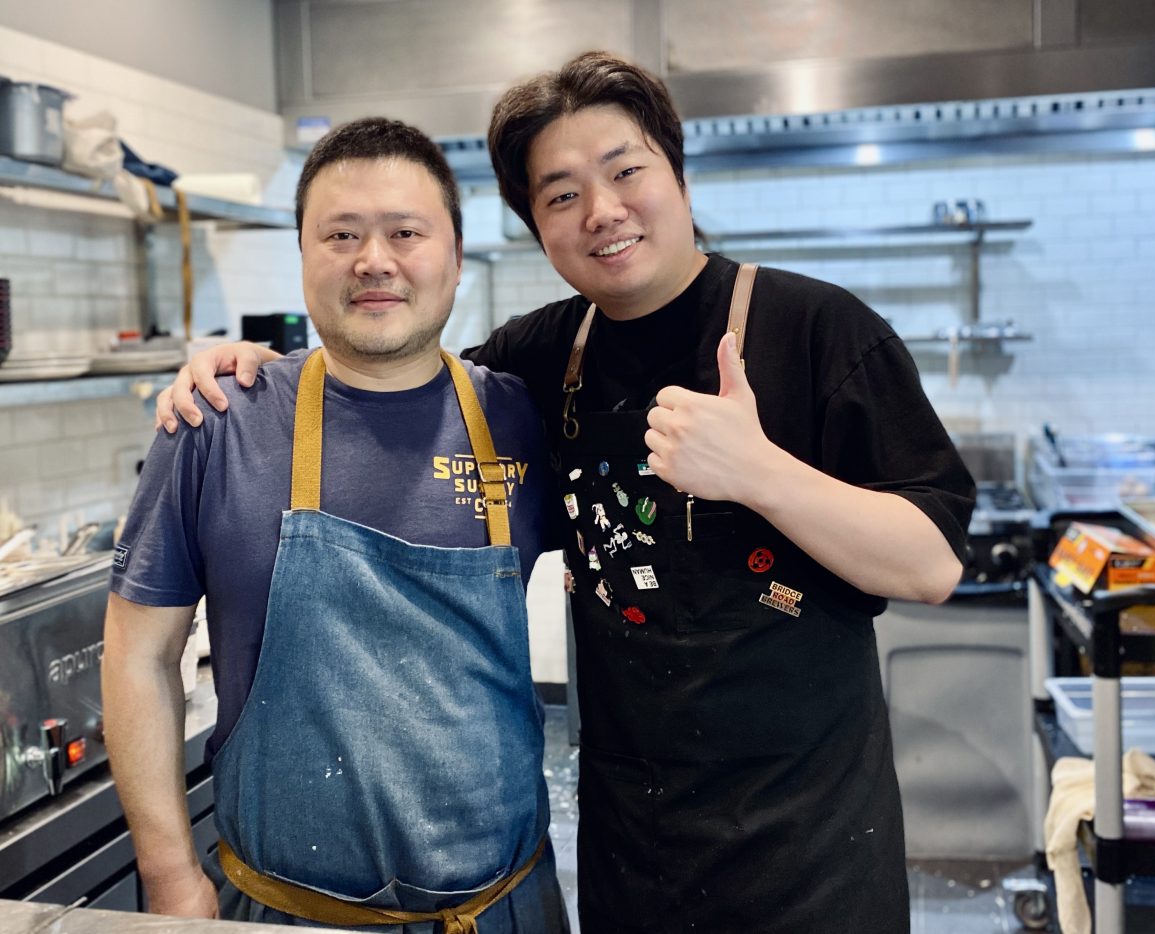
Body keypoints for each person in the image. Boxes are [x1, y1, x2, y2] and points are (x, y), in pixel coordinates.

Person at [157, 53, 975, 933]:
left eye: (626, 171)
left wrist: (761, 472)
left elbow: (930, 564)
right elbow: (392, 383)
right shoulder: (538, 359)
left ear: (676, 172)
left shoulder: (816, 330)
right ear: (536, 229)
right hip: (632, 855)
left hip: (811, 857)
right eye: (560, 195)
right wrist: (251, 373)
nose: (603, 211)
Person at [103, 116, 569, 933]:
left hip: (506, 909)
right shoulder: (217, 421)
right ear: (305, 258)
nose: (374, 259)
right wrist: (171, 878)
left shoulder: (522, 420)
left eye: (404, 232)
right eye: (341, 234)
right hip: (283, 913)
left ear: (455, 258)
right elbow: (139, 655)